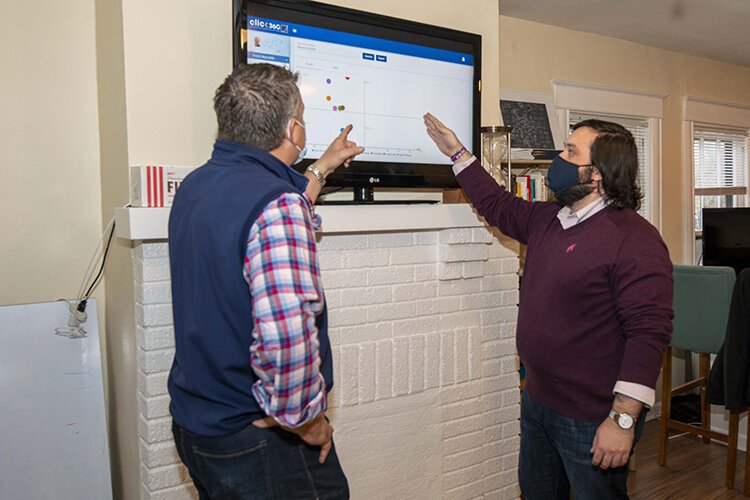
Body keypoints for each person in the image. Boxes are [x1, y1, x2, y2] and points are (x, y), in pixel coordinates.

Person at [423, 113, 673, 499]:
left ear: (596, 174)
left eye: (571, 152)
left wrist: (622, 420)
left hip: (592, 418)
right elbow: (498, 205)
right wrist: (457, 153)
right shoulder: (549, 219)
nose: (559, 159)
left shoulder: (634, 239)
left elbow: (648, 333)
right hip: (538, 402)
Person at [167, 63, 364, 499]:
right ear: (293, 130)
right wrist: (308, 422)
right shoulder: (278, 207)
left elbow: (261, 218)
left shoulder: (195, 186)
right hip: (258, 439)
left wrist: (322, 167)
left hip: (198, 426)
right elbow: (287, 339)